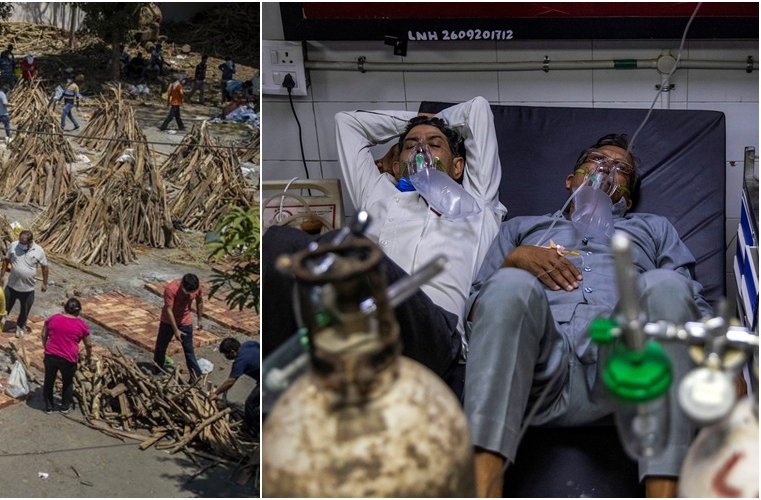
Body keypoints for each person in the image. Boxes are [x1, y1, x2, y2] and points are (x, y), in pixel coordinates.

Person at [464, 134, 710, 498]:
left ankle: (664, 491)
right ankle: (481, 489)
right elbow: (475, 308)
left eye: (621, 169)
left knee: (667, 283)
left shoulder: (654, 229)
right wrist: (514, 260)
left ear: (626, 194)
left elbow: (689, 301)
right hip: (533, 369)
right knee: (508, 283)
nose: (606, 169)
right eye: (596, 160)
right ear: (570, 180)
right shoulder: (522, 228)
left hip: (622, 369)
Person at [263, 97, 505, 380]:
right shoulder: (378, 193)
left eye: (435, 145)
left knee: (353, 250)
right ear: (395, 162)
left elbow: (477, 109)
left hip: (433, 335)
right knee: (279, 241)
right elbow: (348, 122)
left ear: (457, 167)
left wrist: (427, 121)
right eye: (411, 145)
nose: (421, 149)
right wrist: (412, 122)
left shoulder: (477, 201)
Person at [41, 298, 94, 414]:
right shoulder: (81, 324)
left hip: (51, 355)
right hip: (68, 359)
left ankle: (49, 407)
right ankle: (65, 407)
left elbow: (44, 334)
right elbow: (89, 344)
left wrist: (46, 348)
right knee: (68, 382)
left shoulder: (54, 318)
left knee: (49, 380)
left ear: (65, 309)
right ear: (78, 311)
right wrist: (89, 357)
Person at [152, 274, 204, 381]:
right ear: (182, 284)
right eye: (187, 291)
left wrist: (200, 319)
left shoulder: (197, 287)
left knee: (189, 350)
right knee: (161, 347)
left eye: (191, 292)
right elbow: (168, 310)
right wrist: (176, 330)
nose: (189, 294)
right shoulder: (171, 289)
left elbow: (200, 301)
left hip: (185, 321)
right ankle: (158, 370)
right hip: (168, 322)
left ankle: (195, 375)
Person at [0, 230, 49, 337]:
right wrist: (2, 276)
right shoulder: (14, 246)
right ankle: (0, 323)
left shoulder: (38, 251)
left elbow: (45, 267)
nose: (20, 245)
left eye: (23, 243)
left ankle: (20, 326)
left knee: (24, 310)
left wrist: (44, 283)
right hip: (12, 286)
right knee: (4, 307)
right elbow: (6, 260)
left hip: (27, 289)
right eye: (20, 242)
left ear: (30, 241)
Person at [211, 338, 260, 436]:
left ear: (232, 352)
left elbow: (231, 381)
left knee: (250, 404)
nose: (226, 357)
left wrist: (215, 393)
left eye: (226, 354)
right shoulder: (248, 343)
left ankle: (254, 430)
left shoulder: (240, 361)